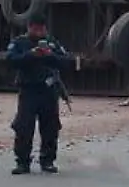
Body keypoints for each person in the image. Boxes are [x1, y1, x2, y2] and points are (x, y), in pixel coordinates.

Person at [5, 14, 76, 174]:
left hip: (48, 91)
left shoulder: (52, 43)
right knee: (24, 127)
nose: (39, 32)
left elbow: (65, 62)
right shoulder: (20, 43)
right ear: (29, 28)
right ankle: (22, 162)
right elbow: (10, 60)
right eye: (35, 29)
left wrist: (49, 56)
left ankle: (47, 160)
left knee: (50, 127)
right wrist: (31, 54)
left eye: (41, 29)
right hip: (28, 90)